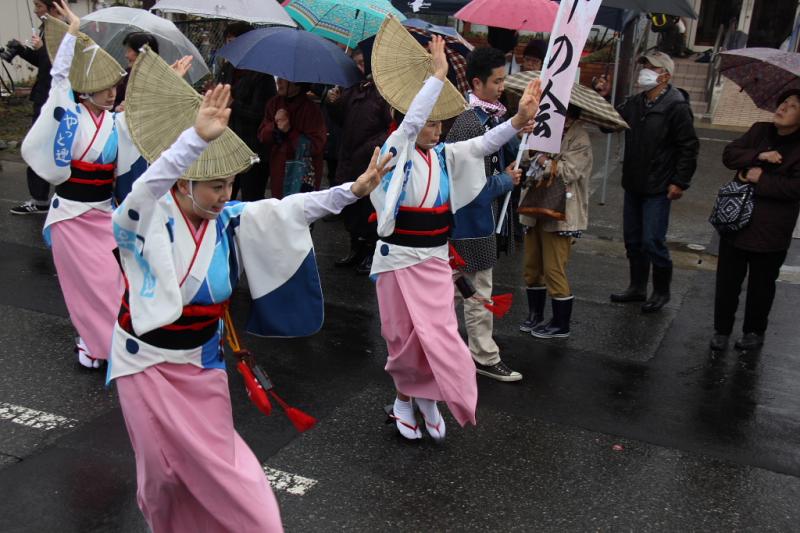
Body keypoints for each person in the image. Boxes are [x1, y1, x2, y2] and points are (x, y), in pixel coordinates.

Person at [111, 77, 391, 531]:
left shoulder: (227, 222)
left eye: (230, 185)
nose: (226, 196)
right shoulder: (141, 222)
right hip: (144, 366)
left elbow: (293, 208)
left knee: (228, 471)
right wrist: (194, 139)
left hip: (200, 364)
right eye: (216, 186)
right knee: (161, 476)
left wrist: (352, 192)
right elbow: (145, 189)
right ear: (183, 183)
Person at [370, 36, 541, 441]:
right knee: (402, 339)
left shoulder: (445, 155)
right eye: (429, 122)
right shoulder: (396, 149)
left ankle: (427, 398)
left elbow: (481, 144)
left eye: (438, 123)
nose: (435, 129)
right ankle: (402, 400)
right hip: (398, 261)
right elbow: (411, 125)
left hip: (432, 262)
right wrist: (438, 76)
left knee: (439, 338)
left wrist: (517, 122)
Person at [20, 1, 136, 368]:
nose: (112, 93)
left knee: (113, 284)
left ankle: (107, 341)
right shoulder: (68, 116)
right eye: (104, 87)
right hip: (71, 215)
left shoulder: (117, 123)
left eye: (115, 86)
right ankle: (90, 342)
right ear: (87, 88)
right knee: (84, 288)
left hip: (104, 214)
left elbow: (148, 128)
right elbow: (58, 80)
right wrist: (70, 34)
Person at [596, 51, 699, 313]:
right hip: (634, 182)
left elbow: (688, 147)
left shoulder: (676, 106)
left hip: (659, 185)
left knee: (653, 240)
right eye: (643, 66)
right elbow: (608, 124)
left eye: (651, 67)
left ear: (665, 74)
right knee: (633, 239)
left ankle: (661, 292)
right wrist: (604, 96)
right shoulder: (635, 103)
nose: (644, 72)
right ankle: (637, 287)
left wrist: (680, 182)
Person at [446, 46, 524, 382]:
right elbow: (468, 188)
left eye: (504, 79)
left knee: (466, 292)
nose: (502, 86)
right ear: (477, 83)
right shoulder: (468, 123)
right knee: (466, 293)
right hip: (467, 224)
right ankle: (469, 355)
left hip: (478, 222)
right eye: (497, 81)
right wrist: (506, 180)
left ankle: (465, 354)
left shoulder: (488, 118)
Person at [709, 90, 800, 351]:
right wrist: (758, 156)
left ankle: (754, 331)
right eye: (783, 102)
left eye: (792, 106)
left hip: (771, 231)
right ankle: (721, 330)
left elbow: (795, 188)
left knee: (762, 285)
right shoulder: (760, 130)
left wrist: (761, 179)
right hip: (735, 222)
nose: (783, 108)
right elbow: (730, 154)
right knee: (727, 282)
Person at [519, 105, 592, 338]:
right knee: (532, 266)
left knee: (554, 268)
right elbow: (522, 157)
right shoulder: (543, 129)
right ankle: (535, 315)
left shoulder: (580, 136)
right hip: (535, 206)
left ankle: (561, 323)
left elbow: (571, 171)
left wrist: (545, 160)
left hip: (561, 210)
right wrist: (531, 150)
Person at [328, 48, 392, 275]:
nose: (362, 67)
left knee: (368, 208)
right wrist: (333, 103)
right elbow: (340, 119)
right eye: (359, 63)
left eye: (365, 62)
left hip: (368, 160)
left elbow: (390, 129)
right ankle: (355, 247)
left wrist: (369, 148)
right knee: (350, 205)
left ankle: (370, 252)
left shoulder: (385, 94)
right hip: (348, 156)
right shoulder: (355, 89)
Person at [9, 0, 60, 215]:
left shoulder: (63, 32)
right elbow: (43, 62)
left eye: (39, 6)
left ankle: (42, 200)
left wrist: (42, 50)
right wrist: (21, 50)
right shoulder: (47, 28)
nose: (35, 10)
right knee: (42, 147)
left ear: (54, 8)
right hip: (44, 97)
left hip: (53, 99)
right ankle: (40, 198)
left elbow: (59, 65)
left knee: (40, 146)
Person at [218, 21, 276, 201]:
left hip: (253, 148)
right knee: (224, 196)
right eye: (228, 41)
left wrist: (232, 103)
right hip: (229, 144)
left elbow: (262, 113)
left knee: (251, 198)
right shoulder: (228, 68)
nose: (230, 46)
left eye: (234, 41)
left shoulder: (261, 73)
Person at [257, 78, 327, 199]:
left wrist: (289, 130)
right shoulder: (274, 103)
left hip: (303, 175)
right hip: (279, 169)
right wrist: (275, 124)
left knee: (299, 212)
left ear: (297, 84)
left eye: (283, 79)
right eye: (278, 77)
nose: (278, 82)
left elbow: (316, 146)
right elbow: (262, 136)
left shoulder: (311, 109)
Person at [114, 31, 159, 110]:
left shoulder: (160, 77)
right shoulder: (126, 75)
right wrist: (118, 108)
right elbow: (113, 101)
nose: (126, 55)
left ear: (143, 53)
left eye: (129, 51)